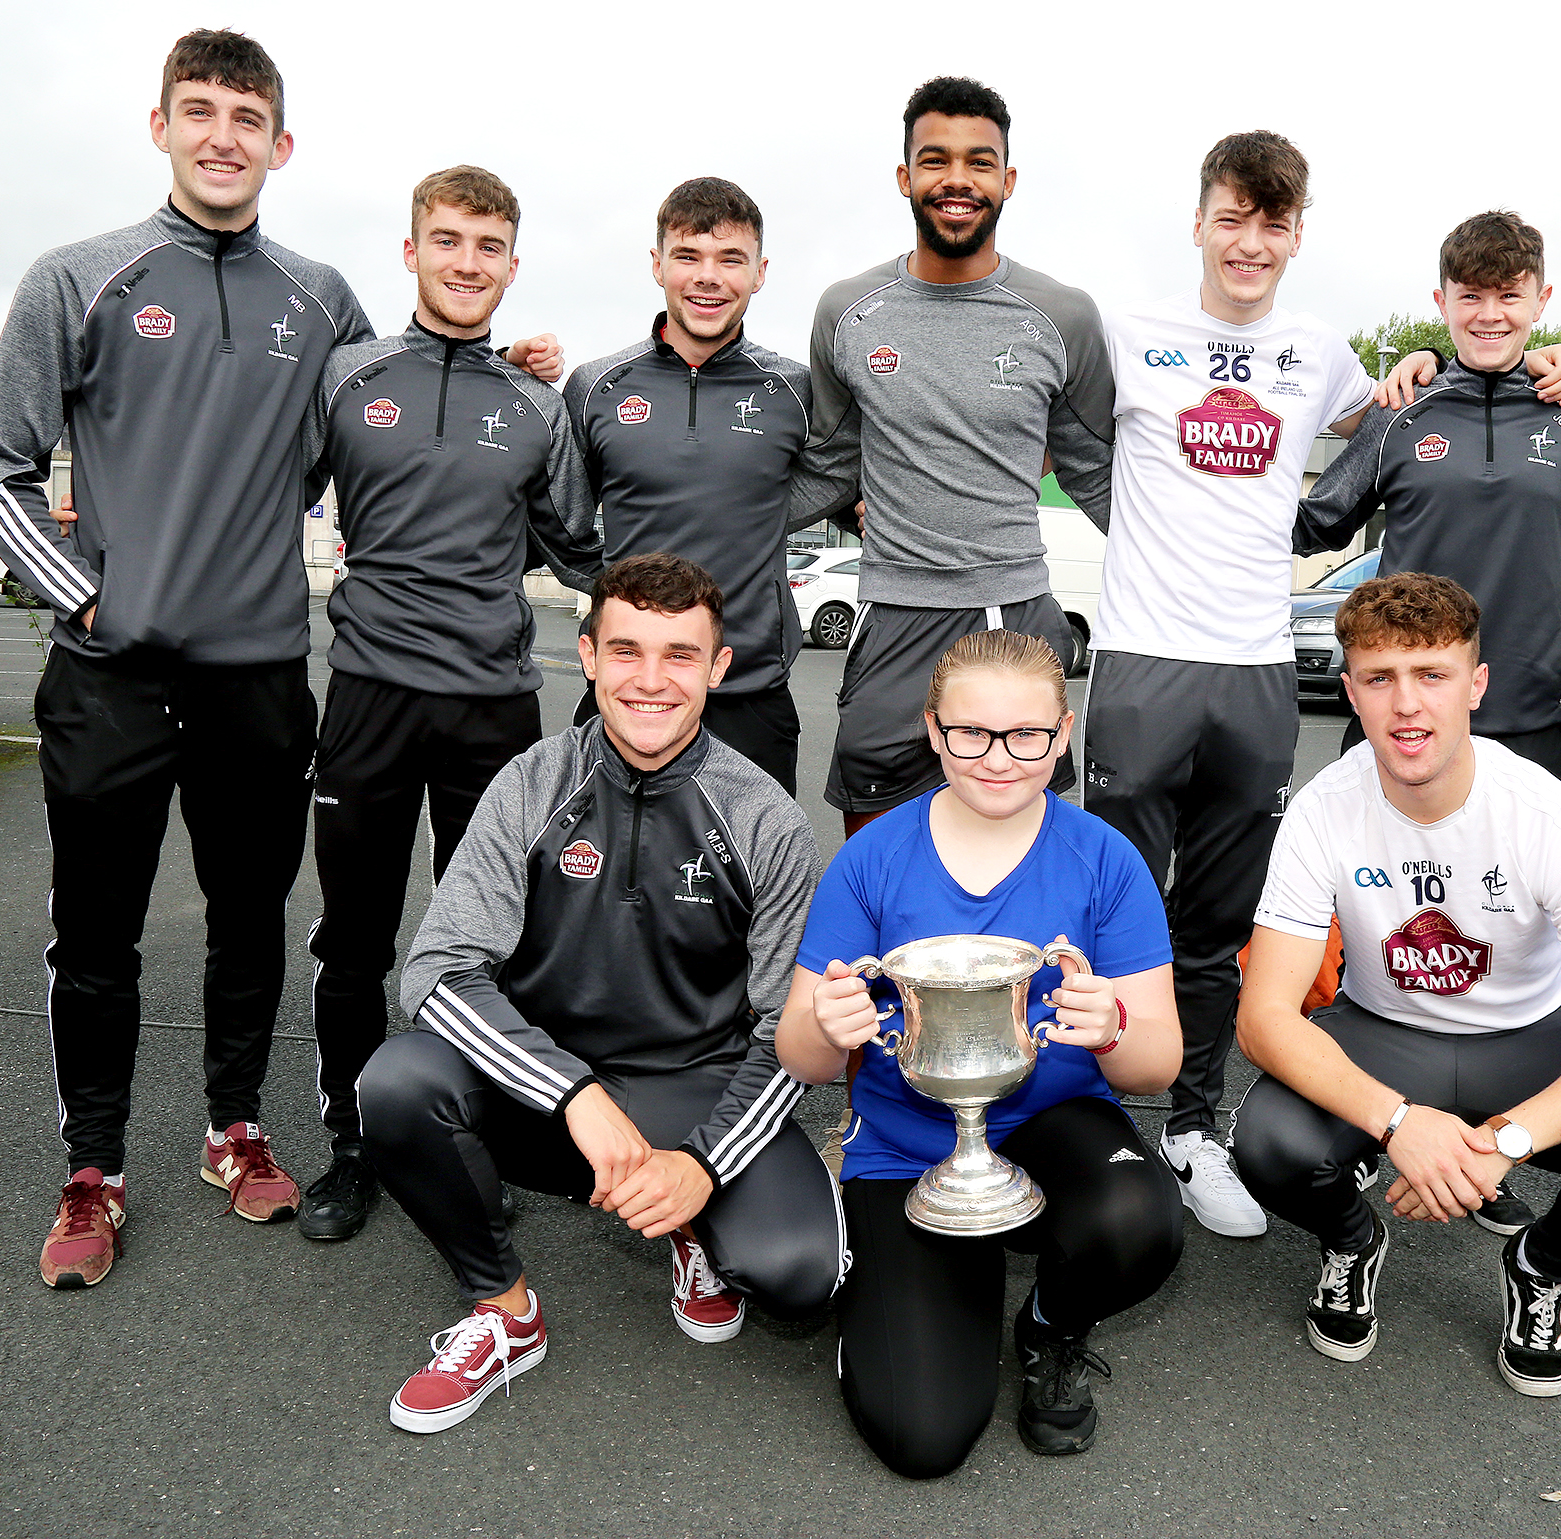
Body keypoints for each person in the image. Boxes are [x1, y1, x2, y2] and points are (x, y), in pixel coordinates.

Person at [1084, 139, 1561, 1239]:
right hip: (1140, 662)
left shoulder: (1320, 352)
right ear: (1201, 221)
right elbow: (1065, 442)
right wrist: (1127, 531)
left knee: (1224, 924)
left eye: (1274, 225)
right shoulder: (1130, 334)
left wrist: (1473, 366)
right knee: (1106, 908)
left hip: (1258, 667)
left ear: (1298, 232)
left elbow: (1419, 416)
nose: (1251, 244)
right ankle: (1082, 1121)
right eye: (1232, 220)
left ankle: (1191, 1126)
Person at [0, 29, 374, 1288]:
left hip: (257, 676)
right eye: (198, 112)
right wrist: (89, 598)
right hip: (109, 676)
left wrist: (515, 372)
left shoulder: (323, 297)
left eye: (246, 118)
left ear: (281, 145)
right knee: (97, 937)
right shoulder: (77, 276)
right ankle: (92, 1169)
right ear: (160, 126)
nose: (222, 137)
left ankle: (234, 1129)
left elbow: (363, 435)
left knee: (251, 916)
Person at [361, 554, 844, 1434]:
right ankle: (505, 1311)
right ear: (586, 655)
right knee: (396, 1084)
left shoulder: (766, 816)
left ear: (719, 667)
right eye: (625, 651)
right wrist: (572, 1091)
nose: (650, 680)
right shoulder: (531, 783)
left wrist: (701, 1163)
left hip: (693, 1084)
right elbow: (433, 971)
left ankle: (692, 1224)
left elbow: (789, 1028)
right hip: (546, 1093)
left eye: (679, 655)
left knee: (800, 1270)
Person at [1230, 572, 1561, 1397]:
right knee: (1269, 1144)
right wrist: (1398, 1121)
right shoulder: (1323, 807)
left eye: (1432, 675)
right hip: (1382, 1031)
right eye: (1380, 678)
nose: (1406, 705)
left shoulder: (1543, 810)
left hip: (1527, 1039)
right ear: (1350, 689)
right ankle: (1352, 1239)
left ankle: (1539, 1265)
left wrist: (1500, 1144)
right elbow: (1265, 1017)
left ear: (1476, 685)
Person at [777, 629, 1184, 1476]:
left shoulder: (1106, 860)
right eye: (971, 733)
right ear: (933, 729)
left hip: (1054, 1123)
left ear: (1063, 733)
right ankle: (898, 1289)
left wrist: (1110, 1024)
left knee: (1136, 1220)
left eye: (1026, 734)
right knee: (921, 1439)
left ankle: (1050, 1325)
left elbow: (1157, 1067)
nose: (999, 757)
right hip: (904, 1148)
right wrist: (830, 1020)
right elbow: (802, 1055)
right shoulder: (871, 857)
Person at [295, 165, 601, 1243]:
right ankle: (351, 1140)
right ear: (413, 251)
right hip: (370, 698)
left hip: (492, 712)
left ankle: (474, 1134)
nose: (466, 263)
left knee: (489, 942)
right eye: (448, 241)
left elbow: (584, 547)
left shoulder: (534, 404)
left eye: (488, 248)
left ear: (512, 267)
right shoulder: (345, 375)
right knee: (354, 938)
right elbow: (258, 496)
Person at [788, 76, 1114, 838]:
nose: (957, 179)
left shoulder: (1063, 315)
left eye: (979, 161)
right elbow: (832, 465)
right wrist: (706, 517)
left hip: (1013, 615)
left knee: (1016, 859)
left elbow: (1096, 475)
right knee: (878, 856)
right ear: (906, 177)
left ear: (1007, 179)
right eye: (935, 160)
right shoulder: (847, 311)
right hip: (891, 615)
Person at [1298, 211, 1561, 785]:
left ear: (1542, 300)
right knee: (1375, 875)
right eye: (1470, 296)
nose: (1490, 314)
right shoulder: (1399, 409)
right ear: (1441, 301)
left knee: (1520, 880)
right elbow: (1311, 524)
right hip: (1399, 717)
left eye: (1510, 295)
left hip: (1528, 721)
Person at [564, 178, 811, 793]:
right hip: (626, 692)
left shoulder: (796, 391)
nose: (708, 276)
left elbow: (836, 482)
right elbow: (560, 518)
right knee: (596, 878)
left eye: (731, 259)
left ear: (759, 273)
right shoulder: (596, 386)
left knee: (750, 885)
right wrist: (613, 580)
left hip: (749, 690)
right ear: (657, 265)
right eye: (688, 256)